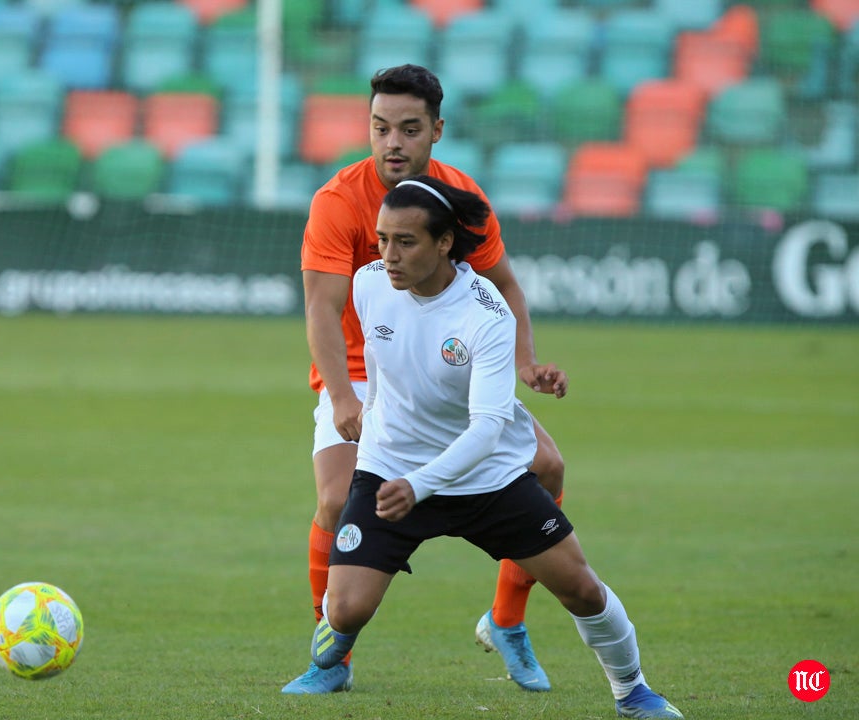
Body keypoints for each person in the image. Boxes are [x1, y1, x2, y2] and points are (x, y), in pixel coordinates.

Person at [300, 175, 684, 719]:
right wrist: (374, 433)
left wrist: (421, 484)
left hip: (486, 480)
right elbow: (378, 363)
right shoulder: (369, 284)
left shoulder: (485, 315)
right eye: (382, 239)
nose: (388, 255)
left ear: (444, 244)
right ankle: (336, 637)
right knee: (345, 611)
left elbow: (485, 431)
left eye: (405, 242)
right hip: (391, 470)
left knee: (583, 591)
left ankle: (634, 691)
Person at [284, 64, 568, 695]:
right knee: (335, 501)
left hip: (448, 371)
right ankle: (332, 657)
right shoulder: (337, 202)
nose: (393, 143)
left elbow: (506, 285)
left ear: (436, 130)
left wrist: (525, 363)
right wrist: (339, 397)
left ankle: (507, 621)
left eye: (409, 129)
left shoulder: (462, 201)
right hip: (362, 374)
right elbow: (321, 310)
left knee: (548, 468)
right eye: (381, 127)